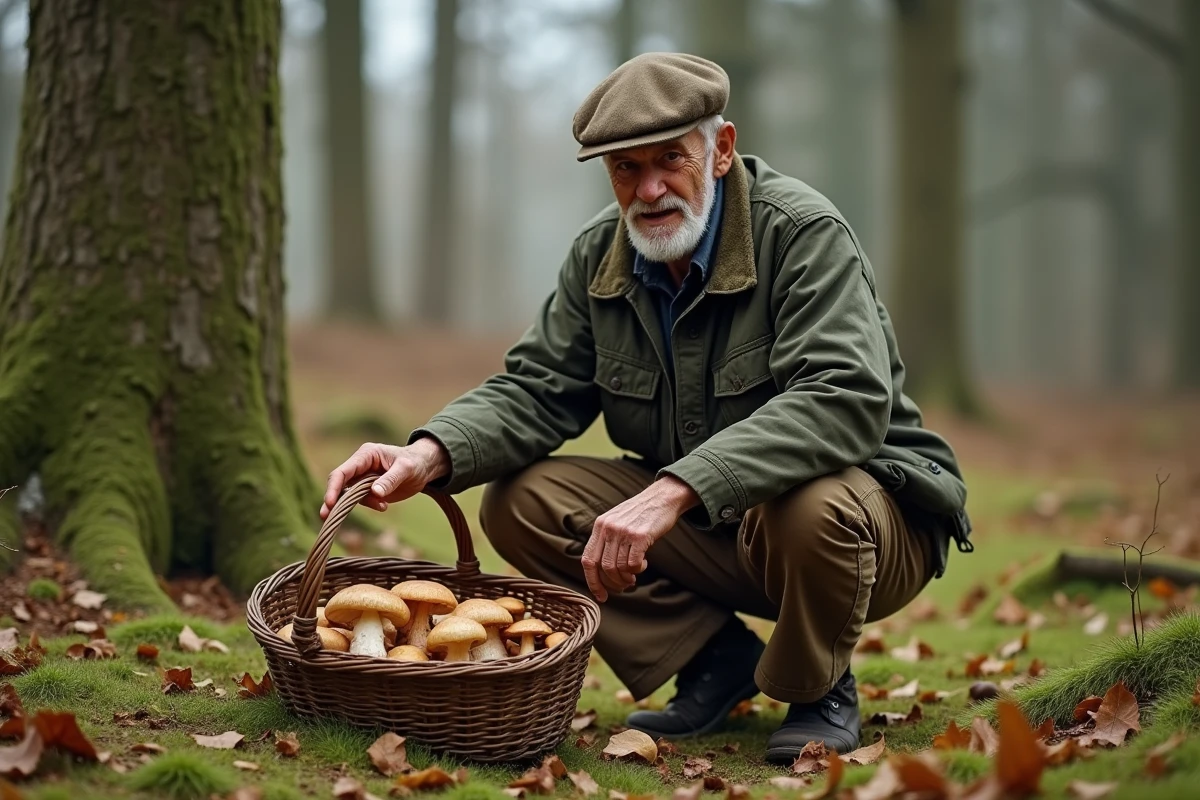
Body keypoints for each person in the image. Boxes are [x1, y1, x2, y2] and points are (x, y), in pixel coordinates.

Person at [321, 52, 973, 762]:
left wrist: (674, 489)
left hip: (866, 532)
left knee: (807, 503)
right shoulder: (600, 254)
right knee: (521, 500)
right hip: (716, 530)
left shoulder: (802, 234)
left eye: (671, 159)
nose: (650, 189)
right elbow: (538, 387)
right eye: (626, 169)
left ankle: (818, 687)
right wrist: (429, 452)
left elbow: (843, 400)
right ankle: (713, 662)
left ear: (720, 150)